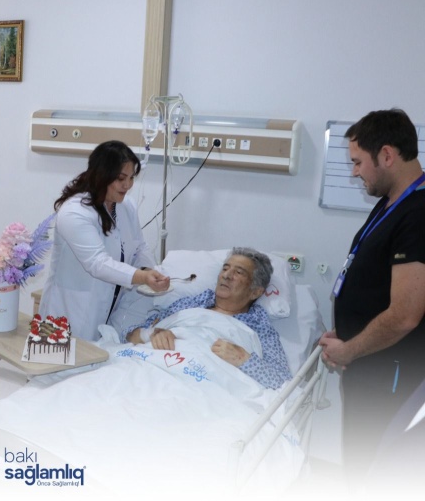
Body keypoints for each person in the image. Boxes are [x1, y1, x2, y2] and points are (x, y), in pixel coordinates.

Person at [318, 108, 425, 484]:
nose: (354, 172)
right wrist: (349, 335)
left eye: (358, 162)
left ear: (387, 155)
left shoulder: (419, 214)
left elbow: (406, 314)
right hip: (371, 366)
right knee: (359, 466)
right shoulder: (392, 202)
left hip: (391, 379)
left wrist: (350, 350)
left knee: (377, 473)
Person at [38, 140, 169, 341]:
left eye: (131, 178)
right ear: (102, 175)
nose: (127, 185)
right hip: (67, 312)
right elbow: (97, 263)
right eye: (121, 178)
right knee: (56, 359)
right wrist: (143, 277)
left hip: (106, 309)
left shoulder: (126, 206)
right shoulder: (74, 212)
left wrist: (151, 271)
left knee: (96, 358)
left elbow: (138, 247)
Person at [125, 248, 292, 390]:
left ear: (256, 292)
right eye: (225, 269)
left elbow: (283, 384)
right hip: (151, 370)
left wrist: (243, 359)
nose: (227, 275)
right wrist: (152, 334)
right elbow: (128, 335)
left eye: (238, 272)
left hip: (203, 386)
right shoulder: (189, 304)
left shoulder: (261, 328)